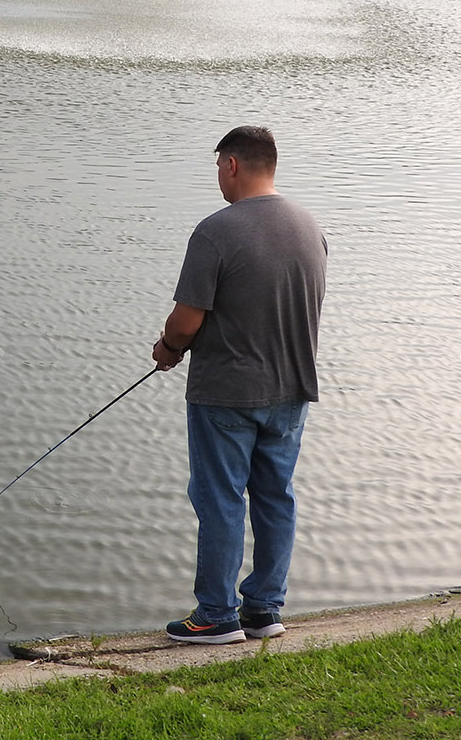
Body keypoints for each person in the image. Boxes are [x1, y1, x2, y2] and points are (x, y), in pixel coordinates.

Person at [151, 126, 327, 645]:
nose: (218, 178)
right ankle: (264, 609)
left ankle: (215, 615)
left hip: (226, 393)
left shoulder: (216, 231)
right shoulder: (309, 227)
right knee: (275, 497)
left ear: (231, 165)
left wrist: (168, 349)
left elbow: (186, 321)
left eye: (217, 167)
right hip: (293, 389)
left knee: (220, 499)